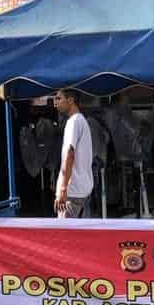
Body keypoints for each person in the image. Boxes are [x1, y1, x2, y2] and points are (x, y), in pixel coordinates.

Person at [53, 89, 94, 218]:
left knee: (64, 235)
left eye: (59, 98)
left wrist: (63, 188)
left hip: (73, 191)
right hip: (82, 189)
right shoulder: (80, 120)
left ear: (70, 100)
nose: (55, 103)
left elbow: (70, 154)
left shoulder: (74, 121)